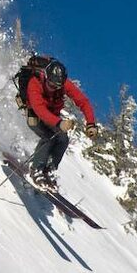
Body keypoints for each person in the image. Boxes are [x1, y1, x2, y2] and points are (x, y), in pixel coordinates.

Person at [24, 58, 98, 190]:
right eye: (51, 85)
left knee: (63, 139)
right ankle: (36, 169)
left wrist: (90, 123)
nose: (53, 89)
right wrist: (59, 123)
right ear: (46, 76)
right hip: (35, 114)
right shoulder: (34, 83)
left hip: (53, 116)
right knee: (48, 136)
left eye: (57, 87)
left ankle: (49, 169)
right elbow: (39, 109)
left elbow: (83, 101)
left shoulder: (64, 84)